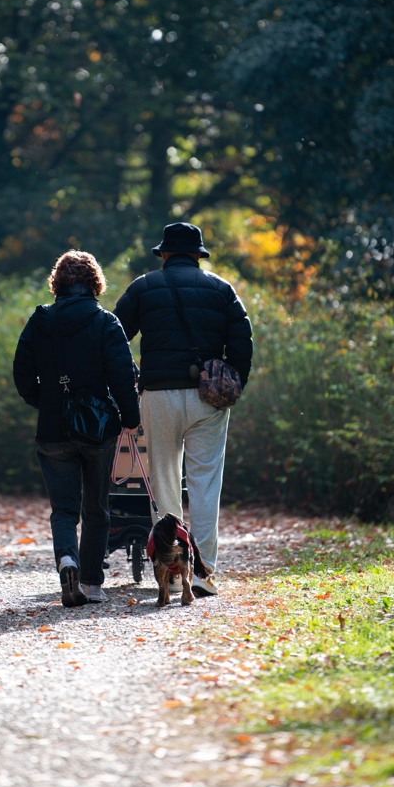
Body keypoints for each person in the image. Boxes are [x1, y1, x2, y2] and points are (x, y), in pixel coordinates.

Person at [113, 222, 253, 598]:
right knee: (206, 483)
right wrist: (230, 381)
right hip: (207, 398)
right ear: (198, 255)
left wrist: (131, 375)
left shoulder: (143, 287)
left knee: (164, 482)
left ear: (163, 254)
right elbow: (243, 341)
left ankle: (171, 573)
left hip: (158, 396)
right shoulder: (222, 290)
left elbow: (113, 336)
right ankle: (203, 574)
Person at [13, 249, 140, 608]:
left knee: (63, 509)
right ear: (95, 283)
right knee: (97, 508)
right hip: (98, 430)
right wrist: (130, 418)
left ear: (57, 283)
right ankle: (91, 583)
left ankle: (66, 559)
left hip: (53, 429)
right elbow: (121, 376)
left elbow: (22, 375)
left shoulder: (39, 322)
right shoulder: (106, 323)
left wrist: (46, 402)